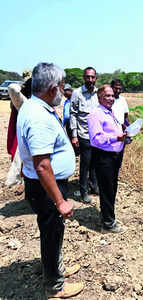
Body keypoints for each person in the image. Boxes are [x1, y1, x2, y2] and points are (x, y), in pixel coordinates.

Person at [16, 62, 84, 298]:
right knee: (52, 232)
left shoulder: (37, 107)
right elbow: (42, 165)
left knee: (53, 231)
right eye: (62, 86)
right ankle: (55, 285)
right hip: (46, 188)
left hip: (46, 186)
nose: (64, 91)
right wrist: (60, 202)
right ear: (53, 88)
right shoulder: (38, 117)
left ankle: (56, 268)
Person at [88, 85, 127, 233]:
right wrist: (117, 137)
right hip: (104, 157)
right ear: (99, 98)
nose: (111, 98)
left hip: (115, 155)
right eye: (107, 96)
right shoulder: (95, 114)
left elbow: (115, 131)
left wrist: (124, 137)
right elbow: (96, 139)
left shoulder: (110, 112)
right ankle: (108, 223)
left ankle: (108, 216)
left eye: (112, 96)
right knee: (106, 189)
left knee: (112, 188)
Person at [69, 67, 99, 203]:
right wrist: (74, 135)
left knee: (95, 162)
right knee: (85, 164)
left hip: (97, 135)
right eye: (88, 77)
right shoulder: (77, 93)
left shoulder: (99, 93)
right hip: (84, 134)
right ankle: (83, 192)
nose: (90, 80)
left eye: (92, 77)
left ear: (96, 78)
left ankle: (94, 186)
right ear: (84, 78)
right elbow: (73, 114)